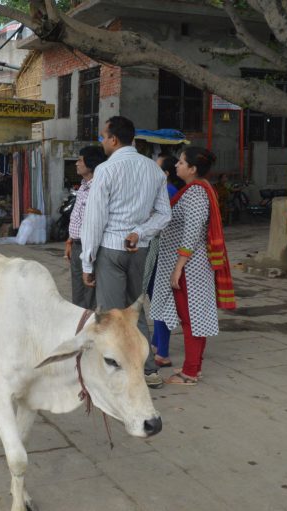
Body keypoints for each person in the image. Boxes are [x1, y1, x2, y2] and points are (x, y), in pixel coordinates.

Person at [80, 116, 171, 389]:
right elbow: (164, 214)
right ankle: (149, 370)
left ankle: (114, 368)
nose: (102, 141)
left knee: (110, 314)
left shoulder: (106, 171)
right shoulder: (154, 170)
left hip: (110, 248)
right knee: (135, 310)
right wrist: (140, 232)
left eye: (103, 137)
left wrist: (87, 261)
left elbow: (94, 220)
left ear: (114, 139)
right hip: (138, 249)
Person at [150, 147, 235, 385]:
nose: (176, 165)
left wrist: (178, 267)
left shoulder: (196, 193)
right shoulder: (193, 191)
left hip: (190, 268)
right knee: (194, 318)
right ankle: (193, 368)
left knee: (191, 319)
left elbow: (193, 233)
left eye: (181, 162)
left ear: (193, 169)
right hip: (190, 266)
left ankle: (189, 373)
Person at [143, 154, 181, 367]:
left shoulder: (167, 192)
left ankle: (162, 352)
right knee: (155, 297)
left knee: (159, 299)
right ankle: (158, 343)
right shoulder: (166, 190)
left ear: (165, 174)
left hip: (161, 252)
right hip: (158, 251)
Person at [64, 146, 106, 310]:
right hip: (76, 244)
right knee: (78, 293)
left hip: (89, 245)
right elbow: (77, 217)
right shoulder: (83, 186)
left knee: (89, 292)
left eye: (80, 160)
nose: (76, 163)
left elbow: (95, 223)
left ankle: (90, 328)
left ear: (91, 163)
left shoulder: (98, 187)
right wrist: (69, 241)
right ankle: (80, 328)